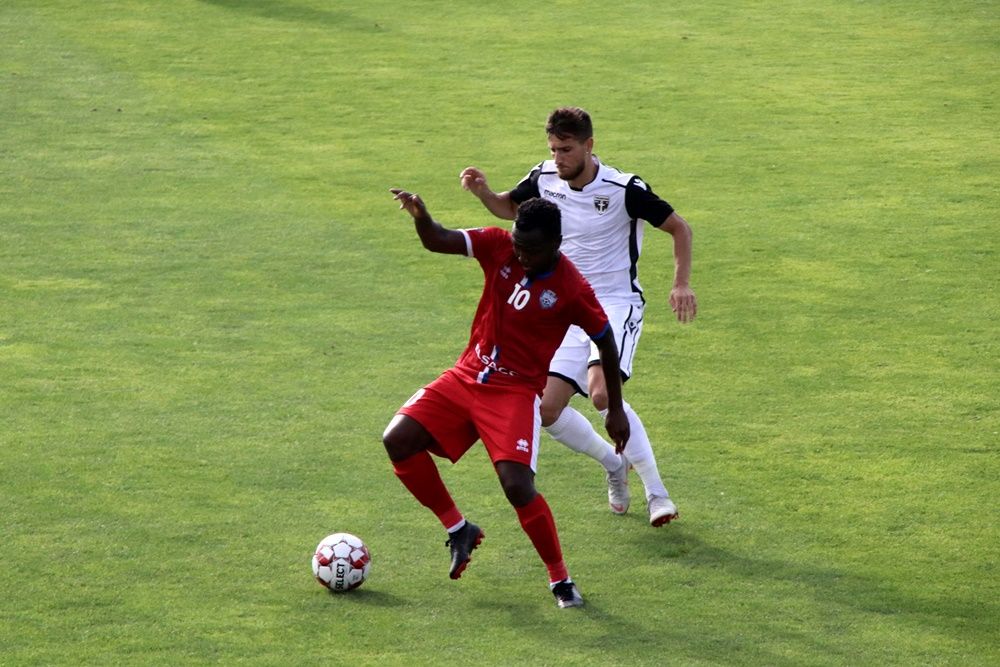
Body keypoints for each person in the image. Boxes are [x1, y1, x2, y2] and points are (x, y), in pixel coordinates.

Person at [382, 187, 630, 608]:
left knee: (517, 486)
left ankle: (560, 578)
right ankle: (459, 529)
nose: (520, 255)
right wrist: (421, 216)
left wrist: (616, 409)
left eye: (530, 250)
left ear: (556, 243)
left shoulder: (572, 288)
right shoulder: (500, 245)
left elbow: (605, 341)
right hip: (467, 374)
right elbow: (437, 239)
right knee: (398, 440)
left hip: (514, 392)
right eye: (518, 244)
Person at [459, 106, 697, 527]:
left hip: (614, 301)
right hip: (565, 305)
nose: (558, 158)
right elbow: (509, 208)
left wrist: (680, 284)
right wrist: (483, 192)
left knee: (602, 394)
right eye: (553, 149)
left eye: (566, 149)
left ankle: (657, 493)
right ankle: (613, 464)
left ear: (589, 145)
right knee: (545, 409)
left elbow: (680, 227)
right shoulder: (544, 178)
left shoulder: (624, 189)